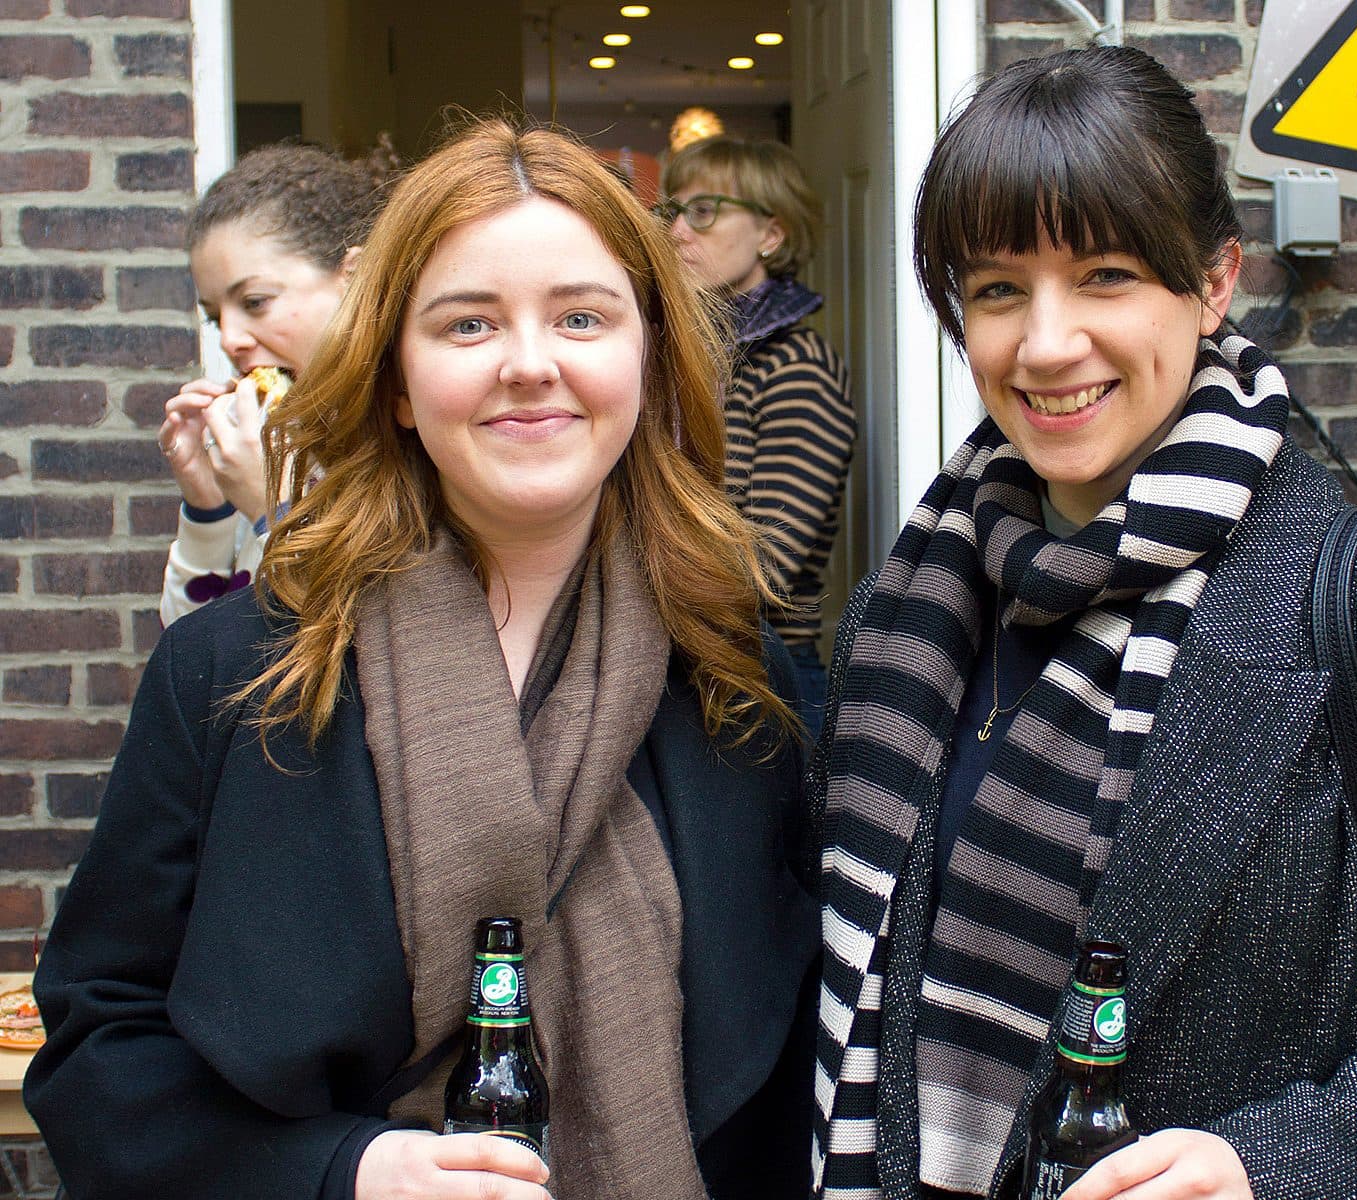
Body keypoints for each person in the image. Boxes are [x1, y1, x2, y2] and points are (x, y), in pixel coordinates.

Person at [808, 46, 1357, 1200]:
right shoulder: (904, 619)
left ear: (1213, 280)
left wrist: (1266, 1170)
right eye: (994, 289)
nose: (1044, 342)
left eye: (1106, 276)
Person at [28, 120, 818, 1200]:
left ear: (651, 361)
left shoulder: (749, 691)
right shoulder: (231, 674)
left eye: (581, 317)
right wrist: (343, 1173)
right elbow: (94, 1051)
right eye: (467, 324)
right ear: (396, 379)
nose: (529, 364)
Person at [657, 136, 855, 738]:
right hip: (691, 669)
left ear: (771, 235)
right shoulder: (698, 361)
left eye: (705, 211)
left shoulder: (796, 366)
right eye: (672, 211)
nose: (677, 233)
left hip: (766, 682)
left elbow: (768, 568)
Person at [157, 142, 387, 626]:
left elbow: (359, 650)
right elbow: (189, 654)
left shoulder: (410, 440)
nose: (231, 341)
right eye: (215, 318)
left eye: (256, 302)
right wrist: (209, 508)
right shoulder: (276, 439)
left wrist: (274, 511)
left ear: (354, 276)